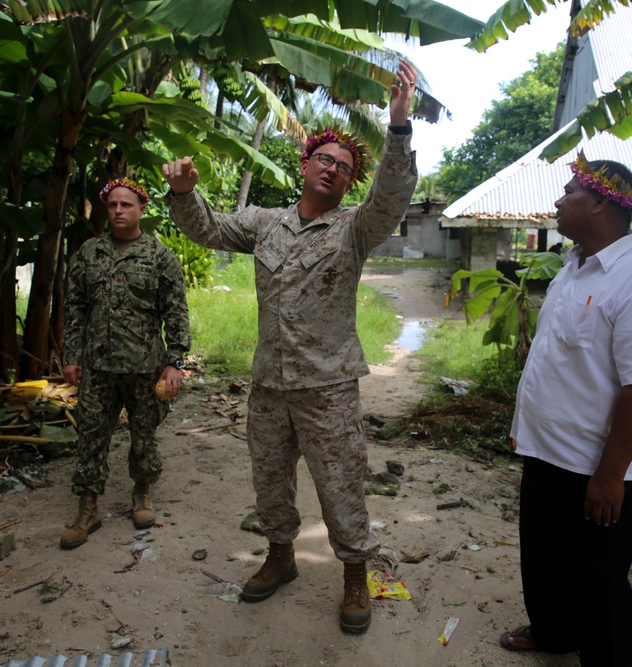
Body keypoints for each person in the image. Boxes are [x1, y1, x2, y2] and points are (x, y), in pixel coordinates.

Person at [161, 60, 419, 634]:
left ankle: (355, 576)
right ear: (305, 165)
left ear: (350, 183)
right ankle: (280, 557)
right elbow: (206, 227)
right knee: (269, 480)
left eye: (344, 168)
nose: (332, 169)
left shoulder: (355, 228)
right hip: (270, 384)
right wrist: (183, 192)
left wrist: (398, 127)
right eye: (324, 159)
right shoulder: (264, 223)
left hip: (327, 386)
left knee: (340, 483)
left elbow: (393, 195)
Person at [500, 152, 632, 665]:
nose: (558, 202)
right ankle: (553, 631)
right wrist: (525, 429)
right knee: (543, 558)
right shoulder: (573, 269)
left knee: (598, 583)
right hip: (545, 452)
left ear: (600, 203)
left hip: (593, 467)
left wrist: (610, 477)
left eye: (569, 193)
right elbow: (556, 362)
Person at [59, 177, 191, 550]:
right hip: (97, 367)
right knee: (89, 438)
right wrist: (71, 355)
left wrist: (174, 363)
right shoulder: (88, 254)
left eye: (127, 205)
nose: (119, 211)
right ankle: (87, 508)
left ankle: (143, 492)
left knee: (144, 436)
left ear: (141, 210)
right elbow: (75, 310)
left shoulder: (159, 257)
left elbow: (176, 313)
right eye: (113, 205)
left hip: (144, 366)